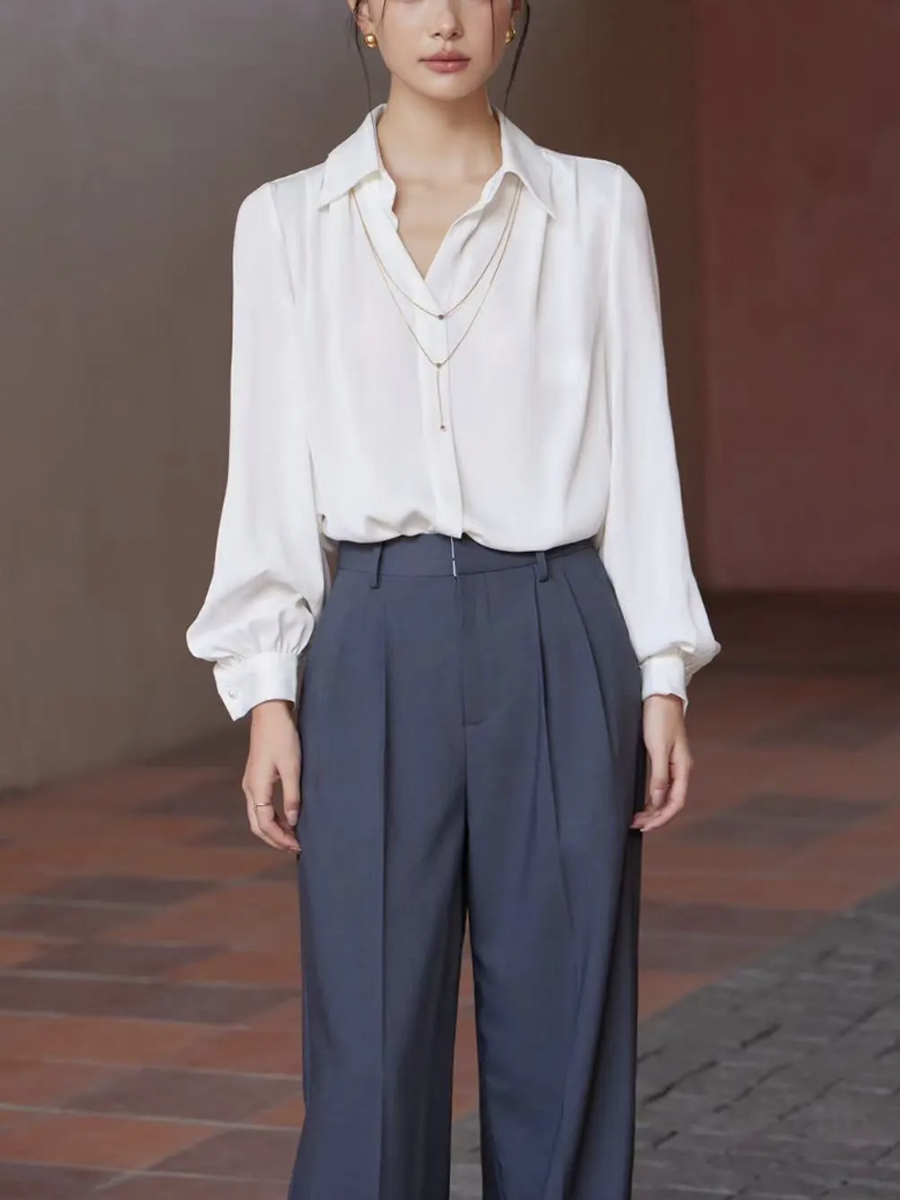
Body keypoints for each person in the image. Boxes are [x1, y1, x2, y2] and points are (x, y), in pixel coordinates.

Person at [186, 0, 721, 1196]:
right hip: (373, 640)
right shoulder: (286, 223)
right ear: (367, 13)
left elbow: (641, 452)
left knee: (564, 1037)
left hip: (560, 628)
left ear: (516, 16)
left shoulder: (596, 207)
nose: (449, 18)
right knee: (368, 1053)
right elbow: (264, 469)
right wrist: (266, 692)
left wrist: (662, 673)